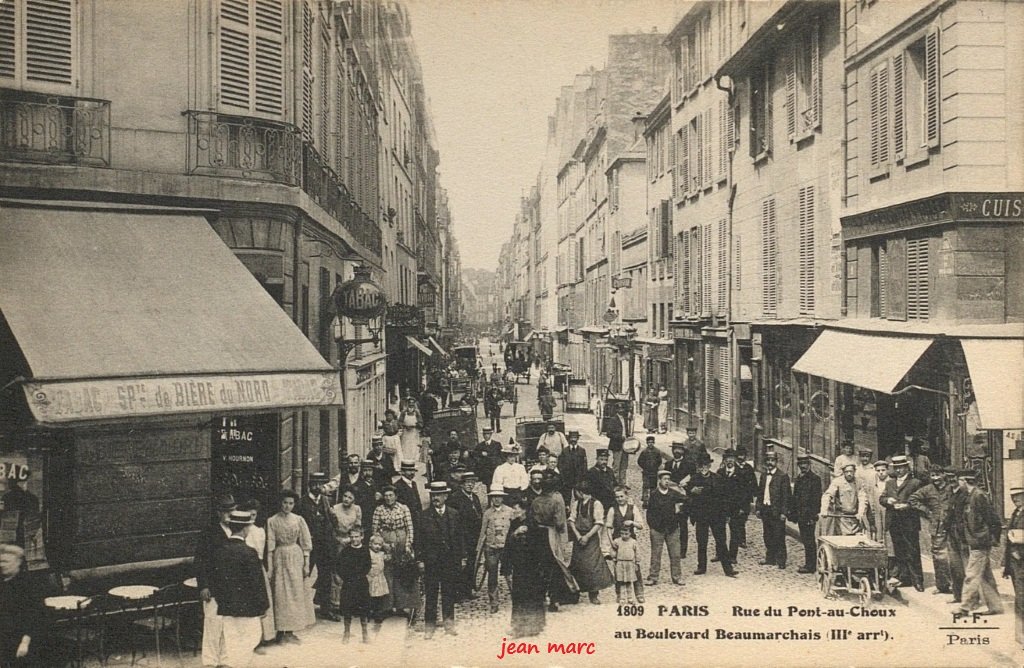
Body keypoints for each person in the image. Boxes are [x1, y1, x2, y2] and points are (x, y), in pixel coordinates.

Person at [209, 510, 270, 668]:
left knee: (232, 643)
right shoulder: (249, 553)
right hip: (248, 609)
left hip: (227, 608)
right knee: (248, 643)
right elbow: (257, 583)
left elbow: (215, 580)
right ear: (245, 529)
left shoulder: (219, 551)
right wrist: (263, 606)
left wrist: (222, 601)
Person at [415, 481, 466, 639]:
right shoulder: (423, 516)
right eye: (433, 495)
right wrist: (420, 560)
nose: (435, 498)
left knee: (448, 592)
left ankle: (449, 623)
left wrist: (463, 556)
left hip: (449, 560)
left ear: (445, 496)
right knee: (431, 594)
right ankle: (429, 625)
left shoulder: (454, 514)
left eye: (438, 495)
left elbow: (460, 537)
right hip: (431, 561)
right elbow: (418, 540)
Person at [267, 489, 315, 641]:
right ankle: (281, 630)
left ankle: (291, 630)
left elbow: (306, 543)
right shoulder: (272, 521)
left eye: (291, 503)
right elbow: (270, 547)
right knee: (281, 593)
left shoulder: (298, 520)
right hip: (280, 557)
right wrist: (270, 567)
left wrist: (306, 564)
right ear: (280, 503)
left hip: (295, 556)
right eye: (285, 503)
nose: (287, 506)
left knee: (295, 592)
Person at [194, 493, 236, 667]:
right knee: (213, 626)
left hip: (232, 587)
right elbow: (200, 561)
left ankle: (225, 661)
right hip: (213, 588)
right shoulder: (209, 533)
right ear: (219, 513)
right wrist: (203, 586)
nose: (229, 515)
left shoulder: (237, 530)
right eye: (226, 512)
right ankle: (210, 662)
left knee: (229, 626)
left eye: (232, 511)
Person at [957, 470, 1004, 616]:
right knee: (985, 575)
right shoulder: (970, 496)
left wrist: (993, 538)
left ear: (965, 481)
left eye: (959, 480)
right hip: (975, 540)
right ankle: (995, 606)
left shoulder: (979, 495)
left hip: (980, 542)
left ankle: (964, 607)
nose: (958, 483)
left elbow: (993, 519)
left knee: (971, 575)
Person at [529, 471, 577, 612]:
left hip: (538, 535)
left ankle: (541, 597)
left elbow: (531, 519)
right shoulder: (555, 501)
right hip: (551, 534)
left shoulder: (535, 501)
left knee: (540, 566)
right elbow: (560, 523)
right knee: (555, 566)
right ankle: (555, 599)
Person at [295, 472, 339, 619]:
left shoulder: (326, 501)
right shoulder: (301, 503)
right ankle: (299, 609)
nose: (317, 487)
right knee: (303, 575)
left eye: (320, 484)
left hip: (324, 546)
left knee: (325, 577)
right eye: (314, 484)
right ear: (309, 485)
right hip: (308, 546)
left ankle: (326, 610)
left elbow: (333, 521)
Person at [502, 498, 548, 638]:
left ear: (524, 510)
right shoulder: (515, 524)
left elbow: (541, 547)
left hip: (532, 567)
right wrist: (506, 566)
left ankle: (534, 626)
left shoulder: (533, 525)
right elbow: (508, 545)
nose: (514, 511)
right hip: (519, 566)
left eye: (516, 509)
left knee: (533, 596)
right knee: (519, 596)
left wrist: (541, 567)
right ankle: (518, 627)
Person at [686, 453, 736, 577]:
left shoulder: (717, 478)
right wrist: (691, 492)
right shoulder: (694, 479)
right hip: (701, 516)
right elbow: (687, 497)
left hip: (716, 516)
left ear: (709, 465)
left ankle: (728, 569)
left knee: (721, 542)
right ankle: (701, 566)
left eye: (706, 465)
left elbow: (725, 497)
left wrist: (725, 514)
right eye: (702, 466)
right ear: (698, 467)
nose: (704, 468)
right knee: (702, 542)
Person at [371, 485, 417, 618]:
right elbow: (375, 530)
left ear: (396, 496)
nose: (388, 498)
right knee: (387, 575)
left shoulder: (403, 508)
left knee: (402, 574)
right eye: (386, 496)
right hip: (385, 543)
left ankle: (402, 606)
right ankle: (387, 607)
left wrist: (408, 545)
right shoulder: (379, 510)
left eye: (391, 495)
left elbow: (410, 528)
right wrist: (382, 545)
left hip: (402, 543)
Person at [881, 455, 924, 591]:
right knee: (899, 551)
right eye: (896, 468)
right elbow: (881, 498)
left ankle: (917, 580)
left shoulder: (915, 483)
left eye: (901, 468)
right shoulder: (890, 483)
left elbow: (920, 502)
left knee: (912, 551)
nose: (899, 470)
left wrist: (907, 506)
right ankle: (904, 578)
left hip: (909, 522)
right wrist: (888, 500)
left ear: (907, 467)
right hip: (894, 521)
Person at [567, 480, 614, 604]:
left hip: (591, 538)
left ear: (581, 492)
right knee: (577, 565)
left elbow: (599, 523)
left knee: (593, 566)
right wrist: (578, 536)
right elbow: (571, 520)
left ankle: (593, 594)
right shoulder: (576, 504)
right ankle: (575, 592)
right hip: (579, 538)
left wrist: (587, 536)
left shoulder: (596, 504)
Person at [908, 467, 954, 594]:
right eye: (933, 475)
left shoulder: (951, 488)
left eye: (938, 475)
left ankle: (957, 585)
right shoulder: (928, 489)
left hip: (952, 526)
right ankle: (942, 585)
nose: (935, 478)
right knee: (939, 556)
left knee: (954, 556)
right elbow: (912, 499)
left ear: (944, 475)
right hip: (937, 527)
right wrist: (926, 511)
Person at [239, 500, 275, 650]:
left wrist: (266, 568)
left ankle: (262, 637)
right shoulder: (240, 530)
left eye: (254, 514)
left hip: (257, 566)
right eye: (249, 514)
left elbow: (262, 552)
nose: (252, 517)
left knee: (260, 599)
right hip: (243, 568)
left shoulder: (259, 531)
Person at [0, 544, 40, 667]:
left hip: (22, 638)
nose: (2, 565)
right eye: (1, 561)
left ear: (17, 563)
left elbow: (35, 617)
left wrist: (25, 642)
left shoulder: (28, 585)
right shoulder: (2, 582)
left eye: (6, 561)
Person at [604, 486, 645, 603]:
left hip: (630, 542)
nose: (620, 499)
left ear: (626, 496)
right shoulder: (613, 509)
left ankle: (639, 594)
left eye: (622, 496)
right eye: (617, 497)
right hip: (618, 543)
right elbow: (608, 527)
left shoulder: (633, 508)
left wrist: (632, 522)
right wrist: (611, 543)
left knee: (636, 569)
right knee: (618, 570)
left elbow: (641, 525)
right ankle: (619, 595)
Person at [476, 485, 514, 613]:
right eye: (494, 497)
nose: (497, 499)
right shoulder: (487, 513)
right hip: (491, 547)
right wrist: (479, 549)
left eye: (499, 497)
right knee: (492, 575)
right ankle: (494, 602)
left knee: (509, 573)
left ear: (503, 498)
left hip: (506, 547)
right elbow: (483, 531)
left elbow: (514, 529)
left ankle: (517, 597)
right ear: (491, 498)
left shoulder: (510, 511)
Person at [447, 472, 484, 601]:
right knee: (459, 565)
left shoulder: (475, 497)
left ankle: (468, 590)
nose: (470, 485)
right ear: (462, 484)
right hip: (460, 537)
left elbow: (479, 515)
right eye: (467, 482)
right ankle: (458, 593)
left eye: (472, 482)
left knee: (471, 564)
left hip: (473, 537)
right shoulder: (455, 498)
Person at [646, 470, 684, 586]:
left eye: (668, 479)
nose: (666, 481)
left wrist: (679, 509)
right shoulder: (654, 495)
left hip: (672, 529)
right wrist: (653, 527)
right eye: (664, 479)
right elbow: (649, 513)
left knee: (675, 554)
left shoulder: (673, 493)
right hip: (658, 529)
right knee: (656, 555)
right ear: (659, 480)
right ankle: (653, 577)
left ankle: (677, 577)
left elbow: (687, 500)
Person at [336, 527, 372, 644]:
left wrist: (359, 575)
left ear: (362, 537)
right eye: (351, 537)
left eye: (356, 536)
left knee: (364, 608)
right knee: (347, 607)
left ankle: (365, 633)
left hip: (361, 582)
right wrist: (346, 577)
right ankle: (346, 632)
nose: (354, 539)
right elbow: (340, 566)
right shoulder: (345, 551)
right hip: (349, 583)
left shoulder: (365, 550)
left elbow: (367, 565)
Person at [785, 455, 820, 574]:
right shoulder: (799, 478)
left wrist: (813, 516)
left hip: (809, 516)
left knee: (809, 540)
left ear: (809, 464)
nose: (803, 466)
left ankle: (811, 566)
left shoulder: (815, 479)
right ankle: (808, 564)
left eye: (805, 464)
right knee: (805, 539)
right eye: (801, 464)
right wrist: (793, 513)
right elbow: (796, 497)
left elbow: (816, 500)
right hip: (801, 515)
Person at [756, 451, 790, 569]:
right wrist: (758, 508)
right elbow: (760, 493)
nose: (770, 463)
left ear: (776, 462)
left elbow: (786, 496)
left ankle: (781, 560)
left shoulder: (783, 476)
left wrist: (784, 512)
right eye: (768, 461)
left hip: (777, 511)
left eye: (772, 461)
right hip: (766, 509)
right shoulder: (764, 475)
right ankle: (770, 558)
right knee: (767, 535)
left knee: (779, 536)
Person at [820, 463, 867, 537]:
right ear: (843, 472)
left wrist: (861, 512)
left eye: (851, 471)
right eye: (846, 472)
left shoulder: (859, 482)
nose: (849, 474)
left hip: (854, 517)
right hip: (841, 518)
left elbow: (862, 498)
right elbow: (828, 495)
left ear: (854, 471)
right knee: (842, 540)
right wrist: (824, 509)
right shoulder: (837, 481)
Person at [1002, 486, 1024, 646]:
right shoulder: (1016, 513)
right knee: (1019, 598)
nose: (1015, 499)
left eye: (1018, 496)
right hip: (1015, 563)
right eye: (1013, 497)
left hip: (1022, 560)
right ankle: (1019, 635)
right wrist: (1006, 566)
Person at [718, 450, 748, 565]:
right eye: (727, 458)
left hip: (735, 507)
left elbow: (745, 492)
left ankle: (732, 556)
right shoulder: (720, 473)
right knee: (720, 532)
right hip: (721, 508)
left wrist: (742, 507)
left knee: (735, 533)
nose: (729, 461)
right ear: (724, 460)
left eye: (732, 458)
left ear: (735, 460)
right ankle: (720, 554)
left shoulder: (741, 474)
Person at [665, 442, 695, 559]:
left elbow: (694, 479)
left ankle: (683, 550)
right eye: (675, 449)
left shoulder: (689, 465)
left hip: (683, 499)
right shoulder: (668, 464)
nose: (677, 451)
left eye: (679, 450)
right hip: (671, 499)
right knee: (671, 523)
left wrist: (686, 484)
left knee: (682, 525)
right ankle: (673, 548)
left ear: (683, 451)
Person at [945, 469, 970, 604]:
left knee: (967, 567)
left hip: (964, 535)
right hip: (951, 533)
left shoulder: (966, 494)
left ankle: (971, 598)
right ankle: (957, 596)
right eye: (948, 477)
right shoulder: (949, 492)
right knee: (954, 566)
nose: (951, 480)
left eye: (953, 477)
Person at [733, 447, 758, 550]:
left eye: (743, 455)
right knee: (734, 519)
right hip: (734, 498)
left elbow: (753, 482)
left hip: (745, 498)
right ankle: (735, 539)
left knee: (743, 519)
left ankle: (742, 539)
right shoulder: (732, 467)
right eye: (739, 455)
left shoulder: (748, 468)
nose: (741, 457)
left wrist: (755, 493)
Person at [611, 522, 640, 604]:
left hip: (630, 564)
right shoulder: (617, 541)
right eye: (622, 534)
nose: (624, 536)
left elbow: (637, 552)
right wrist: (613, 557)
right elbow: (613, 550)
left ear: (630, 533)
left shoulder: (633, 542)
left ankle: (630, 598)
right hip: (620, 563)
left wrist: (637, 562)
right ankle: (622, 598)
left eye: (626, 534)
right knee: (622, 582)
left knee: (629, 582)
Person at [557, 430, 588, 505]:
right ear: (568, 439)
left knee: (579, 497)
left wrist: (583, 477)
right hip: (567, 479)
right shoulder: (564, 451)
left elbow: (584, 465)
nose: (573, 440)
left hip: (578, 479)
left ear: (578, 439)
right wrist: (563, 477)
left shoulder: (582, 451)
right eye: (572, 438)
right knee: (567, 498)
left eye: (575, 438)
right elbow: (560, 465)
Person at [367, 533, 390, 630]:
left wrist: (386, 547)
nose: (377, 546)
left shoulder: (382, 554)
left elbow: (389, 555)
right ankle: (369, 613)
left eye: (379, 545)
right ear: (370, 544)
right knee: (370, 596)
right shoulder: (368, 553)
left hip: (380, 578)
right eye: (375, 544)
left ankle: (378, 614)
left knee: (379, 597)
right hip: (371, 577)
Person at [637, 435, 665, 508]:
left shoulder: (657, 451)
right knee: (646, 486)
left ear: (654, 443)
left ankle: (653, 500)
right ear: (647, 443)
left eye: (652, 442)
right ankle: (645, 501)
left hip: (654, 472)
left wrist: (655, 467)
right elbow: (639, 461)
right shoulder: (644, 452)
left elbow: (659, 461)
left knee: (653, 487)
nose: (650, 444)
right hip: (646, 472)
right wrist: (644, 467)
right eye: (649, 442)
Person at [606, 404, 629, 483]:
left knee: (624, 466)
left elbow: (626, 432)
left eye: (622, 408)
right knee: (616, 465)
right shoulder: (613, 419)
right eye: (619, 409)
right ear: (617, 410)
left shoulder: (625, 419)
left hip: (626, 446)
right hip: (617, 445)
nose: (621, 410)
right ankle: (615, 483)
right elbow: (609, 434)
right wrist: (619, 437)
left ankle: (623, 482)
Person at [399, 397, 422, 461]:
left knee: (413, 446)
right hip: (406, 431)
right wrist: (404, 426)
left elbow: (421, 422)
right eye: (410, 403)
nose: (411, 404)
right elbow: (400, 421)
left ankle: (413, 461)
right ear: (407, 403)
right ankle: (405, 460)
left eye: (412, 403)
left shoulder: (417, 412)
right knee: (405, 446)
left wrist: (415, 425)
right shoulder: (404, 412)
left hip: (414, 432)